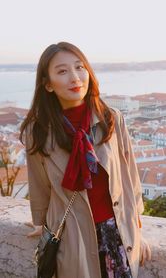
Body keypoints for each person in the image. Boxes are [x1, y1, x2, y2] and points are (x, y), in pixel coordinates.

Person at [20, 41, 151, 278]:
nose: (75, 77)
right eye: (62, 71)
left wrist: (137, 231)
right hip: (72, 238)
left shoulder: (111, 119)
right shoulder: (38, 131)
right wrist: (41, 223)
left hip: (116, 235)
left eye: (80, 67)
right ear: (48, 84)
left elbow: (129, 178)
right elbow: (39, 185)